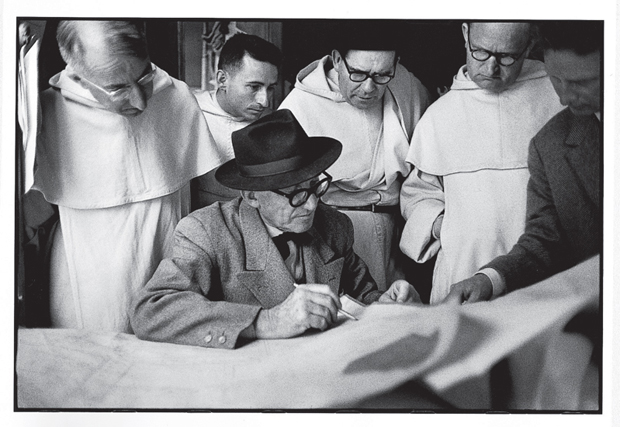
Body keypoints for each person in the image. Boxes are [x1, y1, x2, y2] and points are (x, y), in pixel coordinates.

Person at [130, 109, 421, 349]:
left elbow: (360, 296)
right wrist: (265, 321)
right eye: (295, 194)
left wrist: (383, 304)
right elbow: (152, 310)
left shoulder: (335, 225)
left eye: (314, 186)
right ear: (252, 196)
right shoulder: (205, 231)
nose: (310, 206)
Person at [32, 20, 222, 332]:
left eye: (144, 77)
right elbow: (33, 213)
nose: (140, 101)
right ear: (77, 75)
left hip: (169, 254)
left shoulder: (178, 96)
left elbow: (205, 196)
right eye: (117, 88)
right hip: (90, 273)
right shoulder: (48, 112)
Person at [399, 22, 564, 304]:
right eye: (481, 52)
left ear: (530, 44)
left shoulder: (560, 95)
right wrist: (443, 226)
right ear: (465, 34)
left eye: (506, 56)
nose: (491, 68)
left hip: (544, 268)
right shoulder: (440, 116)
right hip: (463, 270)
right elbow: (417, 195)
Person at [445, 21, 602, 303]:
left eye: (580, 83)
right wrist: (488, 280)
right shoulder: (550, 145)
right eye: (556, 80)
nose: (565, 98)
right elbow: (544, 243)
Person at [279, 23, 431, 291]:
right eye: (358, 74)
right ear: (337, 60)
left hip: (397, 231)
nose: (370, 87)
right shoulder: (299, 107)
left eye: (383, 75)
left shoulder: (407, 87)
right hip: (328, 234)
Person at [192, 33, 283, 209]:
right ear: (222, 80)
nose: (264, 101)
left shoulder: (275, 124)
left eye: (270, 88)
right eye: (254, 87)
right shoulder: (191, 113)